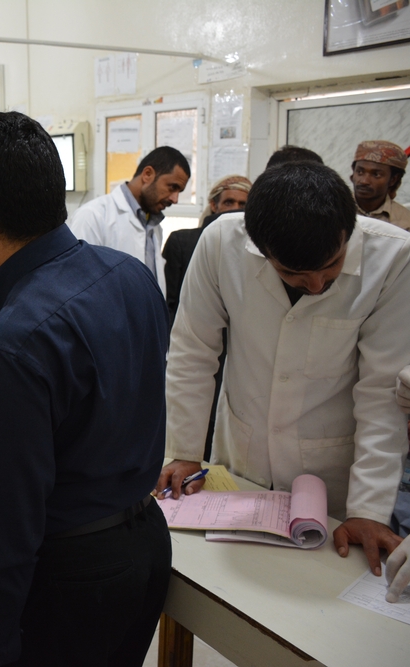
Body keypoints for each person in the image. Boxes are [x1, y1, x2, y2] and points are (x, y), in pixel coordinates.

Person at [0, 112, 170, 667]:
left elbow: (2, 540)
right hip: (145, 547)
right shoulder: (130, 276)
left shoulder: (8, 346)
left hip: (72, 577)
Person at [159, 161, 410, 578]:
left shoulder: (395, 258)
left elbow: (381, 389)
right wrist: (183, 452)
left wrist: (368, 507)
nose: (315, 286)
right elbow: (193, 352)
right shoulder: (221, 242)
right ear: (259, 247)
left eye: (330, 267)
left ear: (349, 230)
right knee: (226, 578)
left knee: (320, 584)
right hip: (242, 454)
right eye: (293, 273)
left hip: (334, 469)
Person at [68, 145, 190, 296]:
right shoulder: (93, 216)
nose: (175, 199)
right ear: (147, 174)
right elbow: (77, 286)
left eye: (179, 191)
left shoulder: (154, 227)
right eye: (172, 187)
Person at [164, 175, 251, 323]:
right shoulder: (182, 242)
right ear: (213, 205)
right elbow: (168, 302)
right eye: (229, 202)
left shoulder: (254, 249)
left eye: (242, 205)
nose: (235, 210)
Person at [349, 140, 410, 231]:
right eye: (360, 172)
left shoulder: (405, 223)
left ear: (393, 179)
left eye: (376, 174)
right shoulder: (333, 209)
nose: (364, 181)